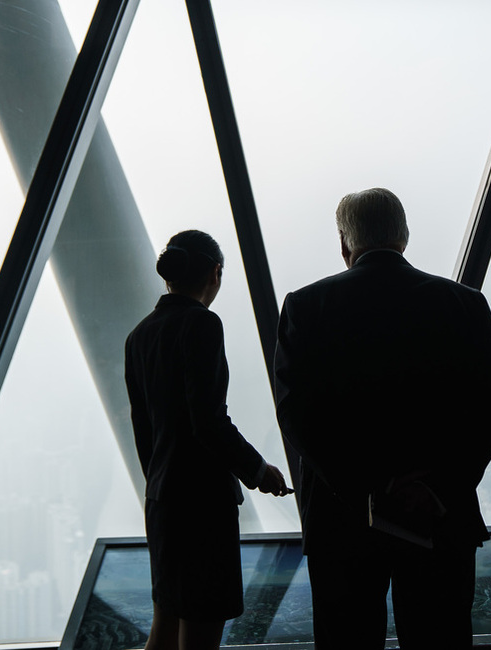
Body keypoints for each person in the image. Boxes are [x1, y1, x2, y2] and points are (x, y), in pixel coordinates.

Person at [274, 188, 491, 649]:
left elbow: (297, 413)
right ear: (404, 236)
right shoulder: (464, 303)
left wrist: (368, 489)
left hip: (342, 525)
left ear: (345, 243)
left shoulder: (305, 306)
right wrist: (436, 487)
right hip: (440, 518)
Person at [125, 230, 290, 650]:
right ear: (214, 273)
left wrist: (161, 481)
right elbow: (208, 421)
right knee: (200, 636)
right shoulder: (201, 323)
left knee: (163, 632)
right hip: (201, 508)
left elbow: (143, 430)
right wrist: (258, 470)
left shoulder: (140, 334)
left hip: (162, 502)